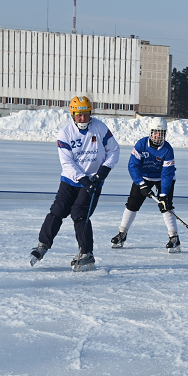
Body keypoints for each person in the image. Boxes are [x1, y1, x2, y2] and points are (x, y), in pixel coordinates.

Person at [30, 96, 120, 271]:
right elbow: (66, 162)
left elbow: (114, 151)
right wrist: (83, 179)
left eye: (86, 114)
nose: (83, 119)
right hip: (71, 180)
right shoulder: (65, 133)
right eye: (79, 115)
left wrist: (102, 173)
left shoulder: (99, 128)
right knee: (57, 211)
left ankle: (86, 253)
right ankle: (42, 245)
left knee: (80, 213)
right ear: (72, 114)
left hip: (94, 181)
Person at [110, 118, 181, 253]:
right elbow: (133, 166)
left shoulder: (167, 149)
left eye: (161, 133)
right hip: (144, 176)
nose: (158, 136)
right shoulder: (141, 145)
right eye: (156, 133)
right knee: (132, 204)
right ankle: (122, 233)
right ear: (151, 132)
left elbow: (167, 174)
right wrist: (142, 184)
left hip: (163, 178)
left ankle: (174, 237)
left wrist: (163, 195)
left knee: (166, 206)